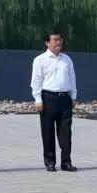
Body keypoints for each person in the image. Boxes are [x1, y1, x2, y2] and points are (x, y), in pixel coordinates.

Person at [31, 30, 78, 172]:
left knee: (66, 132)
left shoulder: (67, 59)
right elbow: (36, 81)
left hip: (65, 98)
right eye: (55, 40)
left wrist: (73, 96)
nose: (58, 42)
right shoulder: (40, 60)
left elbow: (72, 79)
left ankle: (66, 162)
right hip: (48, 98)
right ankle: (50, 161)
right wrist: (38, 99)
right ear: (47, 43)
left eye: (60, 40)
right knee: (48, 131)